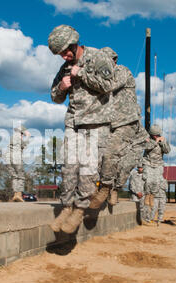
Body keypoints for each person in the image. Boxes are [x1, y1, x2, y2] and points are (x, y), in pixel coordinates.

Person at [47, 25, 125, 233]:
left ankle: (80, 210)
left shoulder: (98, 57)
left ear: (74, 43)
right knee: (69, 166)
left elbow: (109, 84)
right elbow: (55, 96)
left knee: (88, 171)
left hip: (96, 122)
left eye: (65, 51)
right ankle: (66, 207)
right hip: (73, 122)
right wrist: (61, 88)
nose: (64, 57)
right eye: (60, 54)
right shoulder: (64, 67)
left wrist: (81, 73)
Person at [88, 56, 149, 209]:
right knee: (100, 158)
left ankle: (112, 188)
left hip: (126, 122)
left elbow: (108, 86)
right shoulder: (101, 79)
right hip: (110, 124)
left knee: (119, 161)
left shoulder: (122, 71)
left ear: (114, 61)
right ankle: (101, 188)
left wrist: (84, 75)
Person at [142, 124, 171, 208]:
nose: (156, 136)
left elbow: (167, 151)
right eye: (155, 135)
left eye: (158, 135)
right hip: (148, 163)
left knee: (157, 182)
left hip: (158, 164)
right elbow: (146, 148)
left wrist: (163, 143)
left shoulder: (163, 140)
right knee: (148, 181)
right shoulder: (147, 139)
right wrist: (156, 142)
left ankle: (152, 195)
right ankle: (147, 194)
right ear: (151, 134)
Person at [7, 124, 29, 202]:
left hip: (8, 159)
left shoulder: (11, 137)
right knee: (20, 176)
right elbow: (24, 144)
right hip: (16, 157)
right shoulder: (18, 138)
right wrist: (28, 136)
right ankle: (19, 194)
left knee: (14, 177)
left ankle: (15, 195)